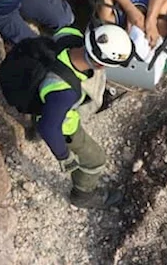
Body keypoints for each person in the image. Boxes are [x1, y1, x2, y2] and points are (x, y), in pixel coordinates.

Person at [22, 23, 133, 209]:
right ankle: (83, 195)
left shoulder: (69, 36)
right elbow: (49, 128)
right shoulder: (65, 91)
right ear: (99, 63)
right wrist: (64, 156)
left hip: (40, 98)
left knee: (48, 109)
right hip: (64, 125)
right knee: (95, 159)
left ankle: (33, 131)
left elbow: (60, 26)